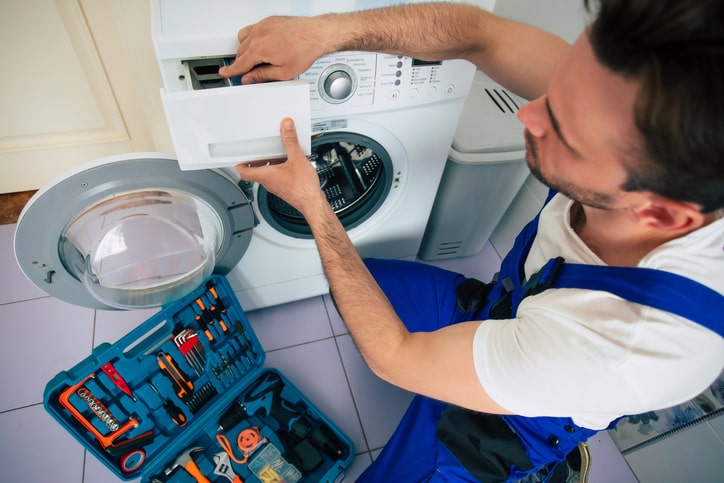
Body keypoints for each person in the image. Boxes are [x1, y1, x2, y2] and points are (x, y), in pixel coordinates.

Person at [222, 1, 724, 481]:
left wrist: (314, 205)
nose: (529, 115)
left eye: (564, 131)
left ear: (658, 213)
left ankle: (533, 461)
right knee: (361, 281)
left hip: (514, 425)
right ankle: (474, 362)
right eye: (557, 88)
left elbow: (394, 356)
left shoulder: (632, 349)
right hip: (503, 311)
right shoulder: (630, 108)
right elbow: (481, 35)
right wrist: (325, 32)